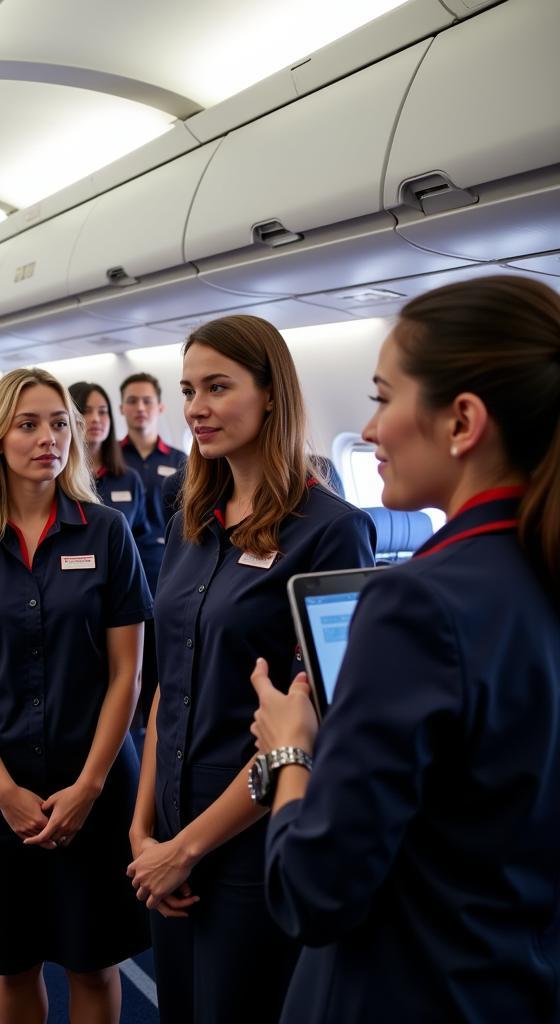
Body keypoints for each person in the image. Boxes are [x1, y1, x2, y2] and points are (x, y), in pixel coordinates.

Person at [251, 275, 560, 1023]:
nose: (373, 428)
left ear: (462, 421)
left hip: (413, 988)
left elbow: (313, 891)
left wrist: (289, 753)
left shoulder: (415, 602)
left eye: (384, 398)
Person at [126, 315, 376, 1024]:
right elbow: (165, 686)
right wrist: (144, 830)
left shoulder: (331, 529)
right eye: (187, 390)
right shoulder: (189, 519)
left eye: (217, 387)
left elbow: (310, 719)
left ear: (271, 395)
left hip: (250, 832)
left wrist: (188, 845)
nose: (196, 407)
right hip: (170, 819)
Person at [0, 367, 151, 1024]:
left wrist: (89, 786)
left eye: (58, 423)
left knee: (93, 959)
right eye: (28, 424)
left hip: (95, 776)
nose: (47, 437)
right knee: (12, 960)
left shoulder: (106, 532)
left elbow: (126, 675)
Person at [119, 372, 187, 728]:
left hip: (166, 568)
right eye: (132, 401)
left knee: (162, 653)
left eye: (147, 401)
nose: (140, 408)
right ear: (122, 408)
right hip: (123, 571)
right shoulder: (111, 460)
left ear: (159, 406)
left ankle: (159, 725)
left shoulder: (181, 460)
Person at [68, 380, 146, 533]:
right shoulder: (60, 478)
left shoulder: (129, 479)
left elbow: (139, 536)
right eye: (85, 411)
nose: (96, 419)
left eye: (103, 412)